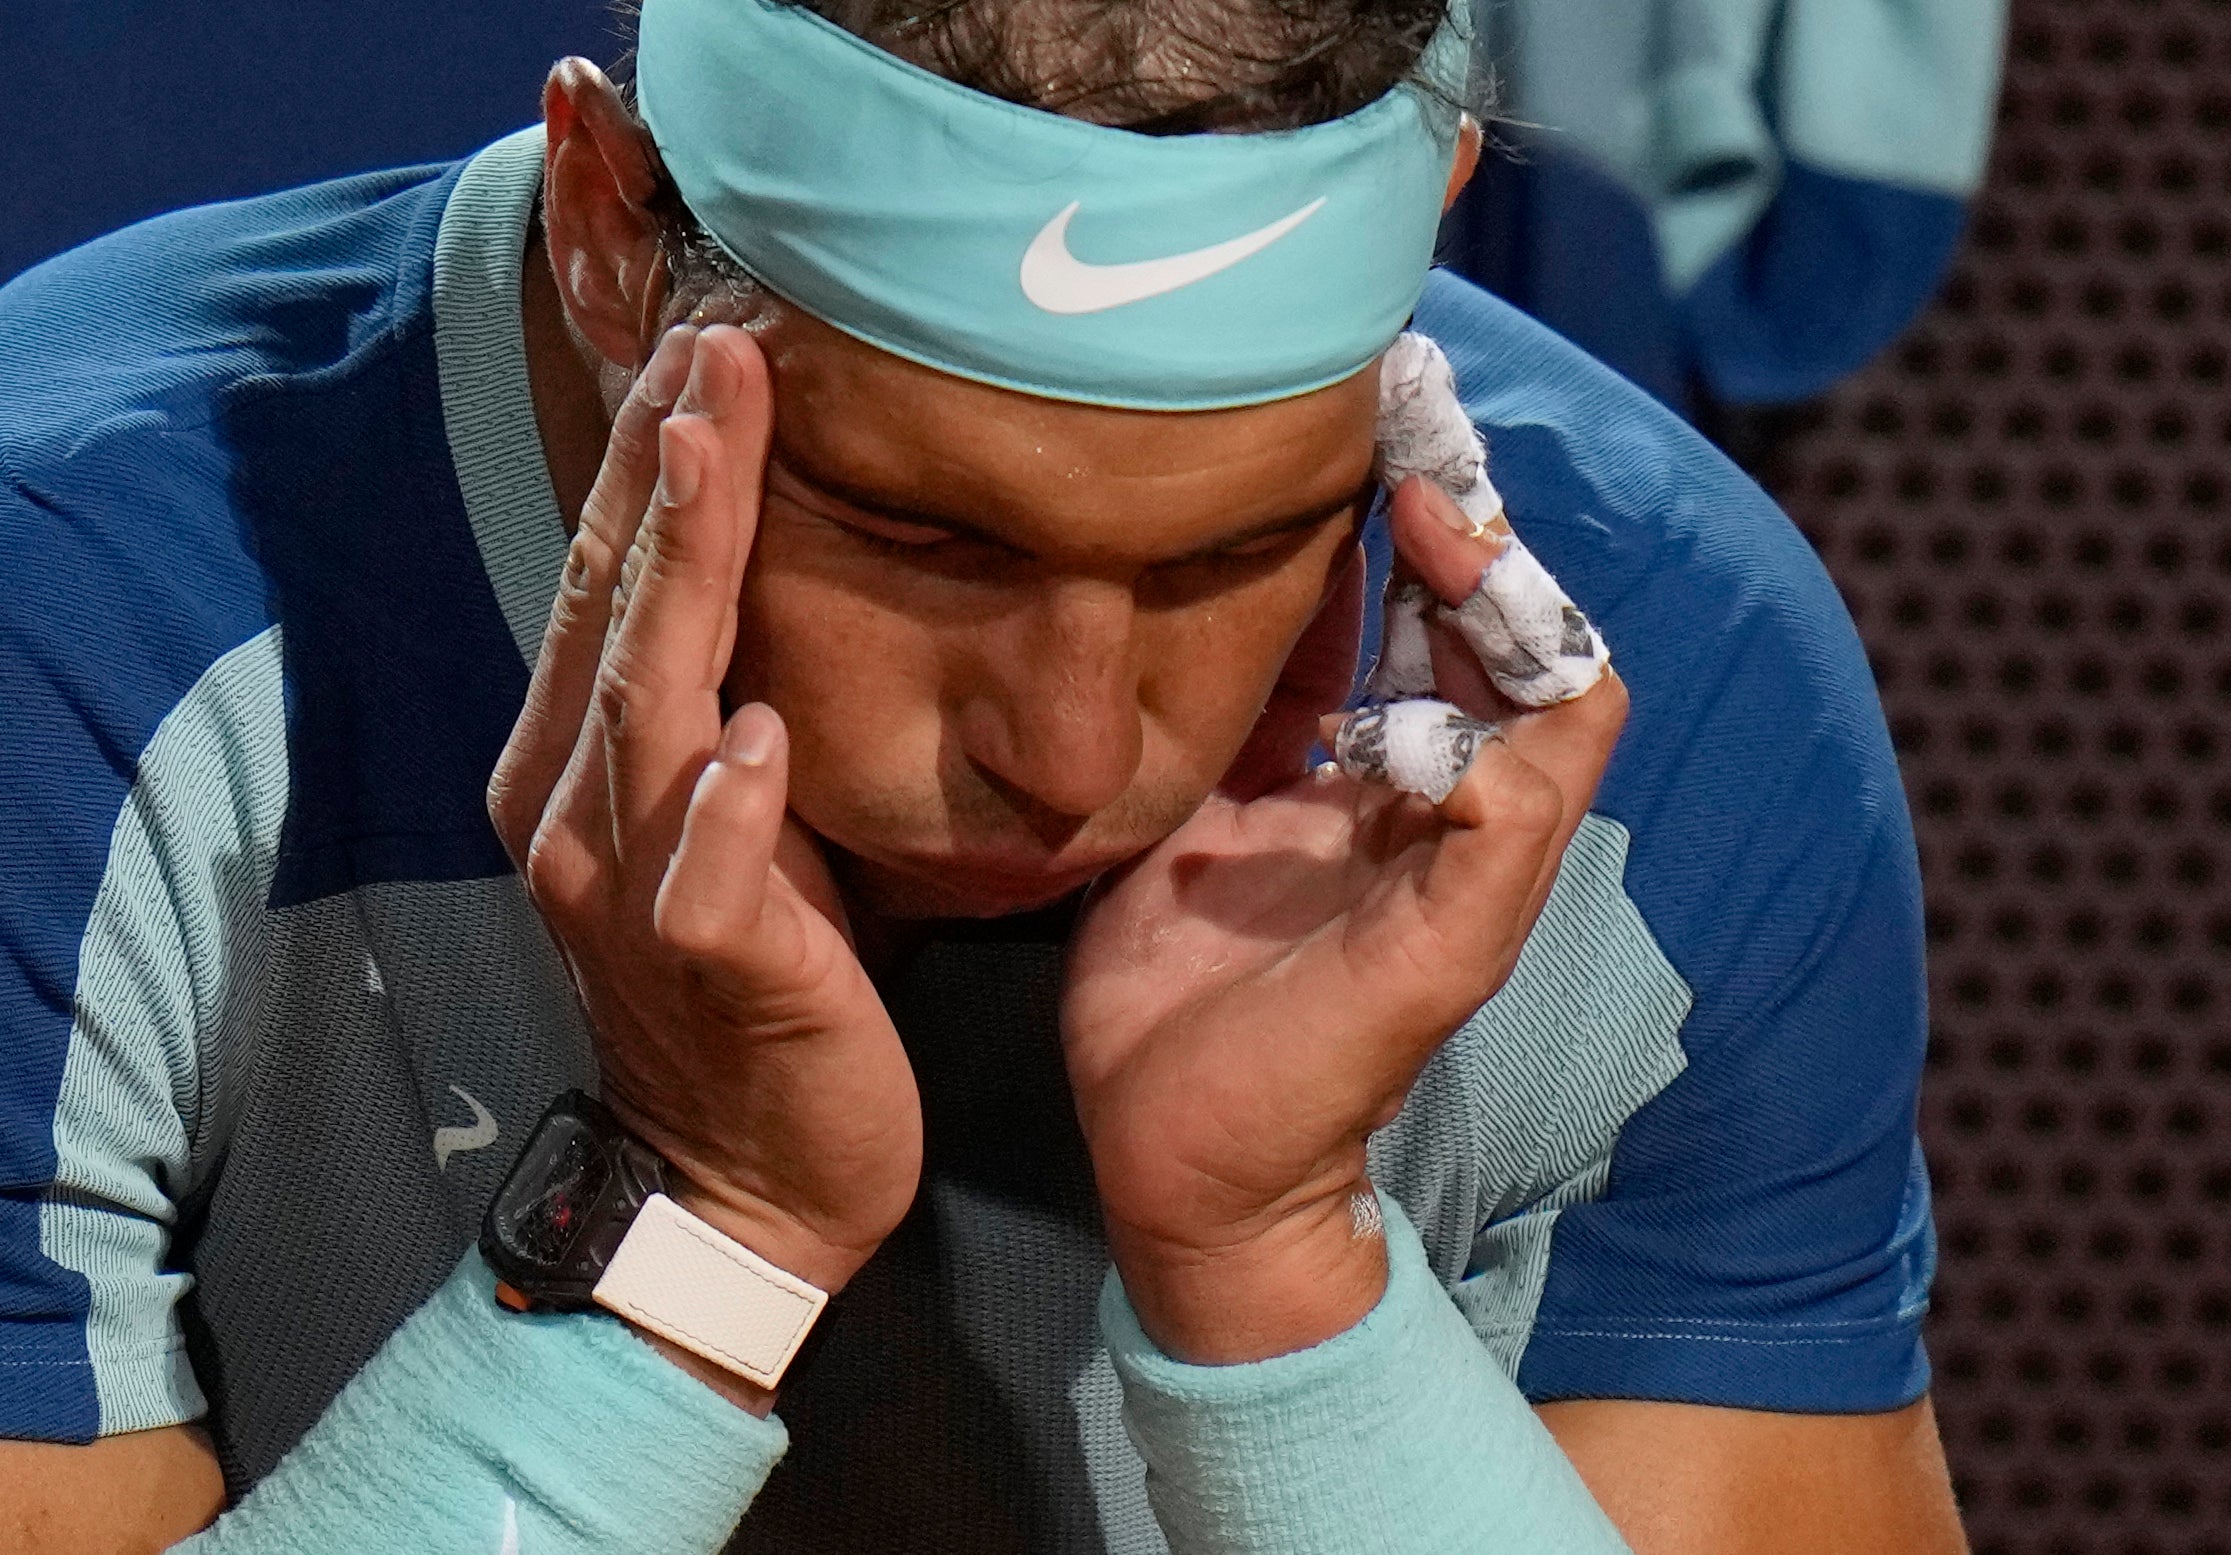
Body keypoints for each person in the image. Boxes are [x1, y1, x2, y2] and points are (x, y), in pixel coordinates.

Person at [0, 0, 1965, 1550]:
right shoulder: (80, 628)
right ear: (611, 235)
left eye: (1235, 552)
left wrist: (1293, 1282)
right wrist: (695, 1235)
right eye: (926, 541)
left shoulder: (1662, 719)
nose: (1079, 746)